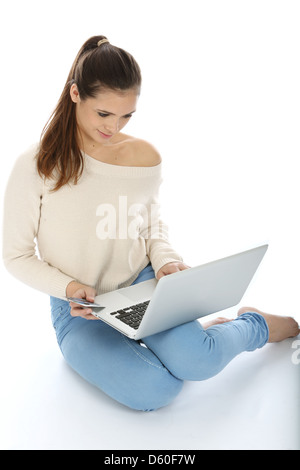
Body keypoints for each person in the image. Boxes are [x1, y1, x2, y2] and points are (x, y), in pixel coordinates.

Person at [3, 36, 299, 411]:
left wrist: (165, 261)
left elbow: (150, 226)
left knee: (201, 362)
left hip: (142, 289)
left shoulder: (143, 157)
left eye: (127, 115)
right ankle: (188, 340)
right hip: (80, 310)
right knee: (155, 392)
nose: (114, 126)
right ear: (76, 94)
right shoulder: (35, 165)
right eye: (104, 114)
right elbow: (16, 256)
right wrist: (69, 288)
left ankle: (254, 325)